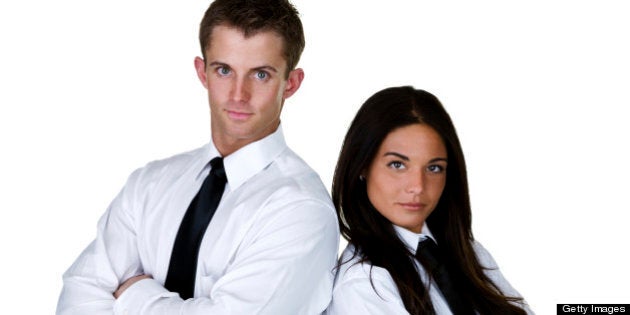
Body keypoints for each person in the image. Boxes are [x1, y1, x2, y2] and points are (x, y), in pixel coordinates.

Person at [56, 0, 339, 314]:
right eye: (224, 70)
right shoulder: (148, 185)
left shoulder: (301, 210)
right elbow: (79, 297)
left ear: (292, 83)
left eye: (260, 75)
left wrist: (134, 294)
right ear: (202, 73)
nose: (238, 95)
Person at [325, 86, 533, 315]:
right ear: (362, 165)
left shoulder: (468, 253)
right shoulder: (364, 283)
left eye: (434, 168)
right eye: (397, 165)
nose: (418, 186)